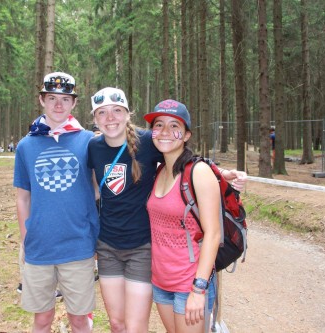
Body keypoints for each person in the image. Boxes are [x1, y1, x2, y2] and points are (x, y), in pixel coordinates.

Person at [87, 88, 247, 332]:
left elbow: (192, 162)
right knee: (118, 324)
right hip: (136, 262)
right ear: (95, 118)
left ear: (128, 114)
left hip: (156, 258)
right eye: (102, 112)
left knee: (136, 326)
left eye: (117, 110)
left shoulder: (153, 146)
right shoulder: (96, 148)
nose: (110, 118)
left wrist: (223, 174)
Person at [14, 72, 98, 333]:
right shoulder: (26, 146)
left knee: (79, 319)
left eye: (65, 99)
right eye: (52, 98)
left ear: (74, 103)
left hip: (78, 245)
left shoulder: (89, 141)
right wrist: (27, 238)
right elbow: (22, 197)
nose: (58, 105)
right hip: (40, 246)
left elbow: (101, 189)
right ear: (42, 100)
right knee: (42, 319)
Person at [144, 99, 221, 333]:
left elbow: (213, 233)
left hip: (190, 282)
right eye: (159, 125)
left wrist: (199, 289)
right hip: (160, 280)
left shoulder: (198, 172)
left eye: (174, 125)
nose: (165, 132)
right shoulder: (158, 171)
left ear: (186, 135)